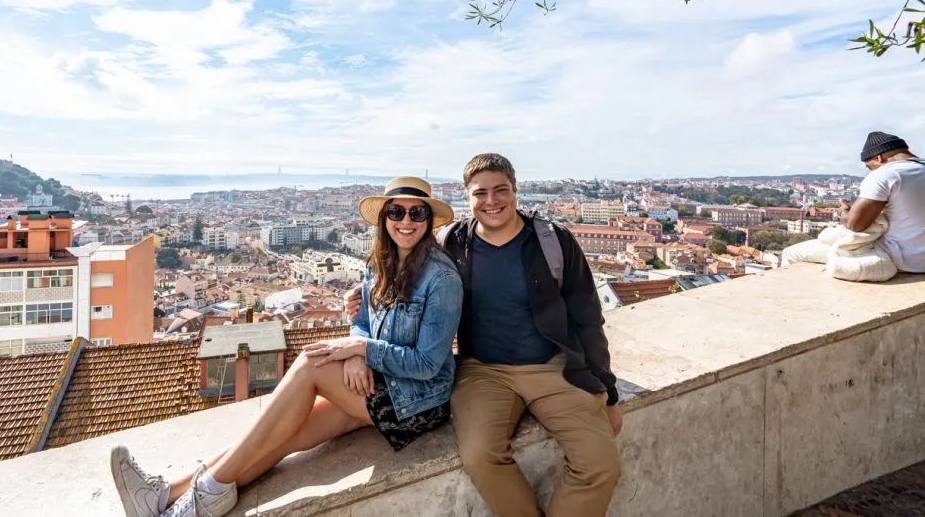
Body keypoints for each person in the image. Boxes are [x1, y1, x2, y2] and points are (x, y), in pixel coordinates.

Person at [110, 176, 463, 517]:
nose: (405, 221)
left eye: (416, 213)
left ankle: (207, 487)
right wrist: (357, 347)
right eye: (396, 212)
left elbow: (427, 364)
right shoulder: (378, 263)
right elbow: (363, 321)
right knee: (282, 437)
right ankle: (169, 499)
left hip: (418, 401)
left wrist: (361, 349)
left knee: (312, 362)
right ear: (384, 218)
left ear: (428, 220)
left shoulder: (441, 278)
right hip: (379, 380)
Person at [346, 154, 622, 517]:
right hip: (482, 371)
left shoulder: (553, 242)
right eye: (480, 193)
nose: (491, 201)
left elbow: (588, 318)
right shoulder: (451, 244)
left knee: (600, 465)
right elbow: (401, 272)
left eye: (500, 190)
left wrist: (608, 390)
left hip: (552, 367)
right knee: (479, 457)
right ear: (468, 197)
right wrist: (359, 296)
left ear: (515, 190)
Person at [841, 131, 925, 273]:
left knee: (795, 252)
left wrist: (844, 211)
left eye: (869, 167)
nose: (870, 171)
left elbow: (854, 224)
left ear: (879, 158)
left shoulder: (887, 174)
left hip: (906, 260)